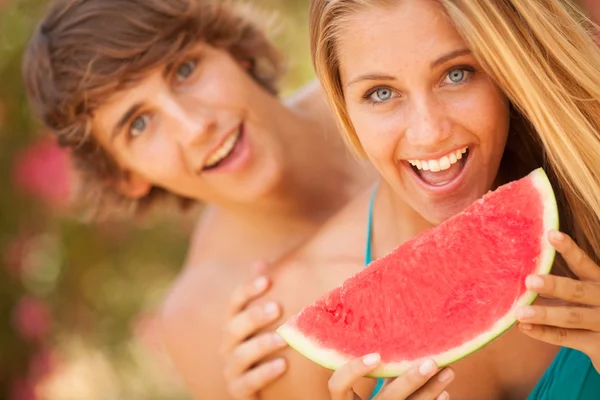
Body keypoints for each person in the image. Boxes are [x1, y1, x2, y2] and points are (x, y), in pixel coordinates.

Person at [221, 0, 600, 399]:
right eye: (381, 93)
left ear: (505, 64)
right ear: (344, 107)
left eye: (457, 74)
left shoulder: (590, 190)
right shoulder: (287, 324)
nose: (428, 132)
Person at [21, 0, 376, 398]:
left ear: (231, 49)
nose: (194, 126)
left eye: (185, 70)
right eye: (139, 124)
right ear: (125, 175)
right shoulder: (199, 317)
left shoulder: (384, 94)